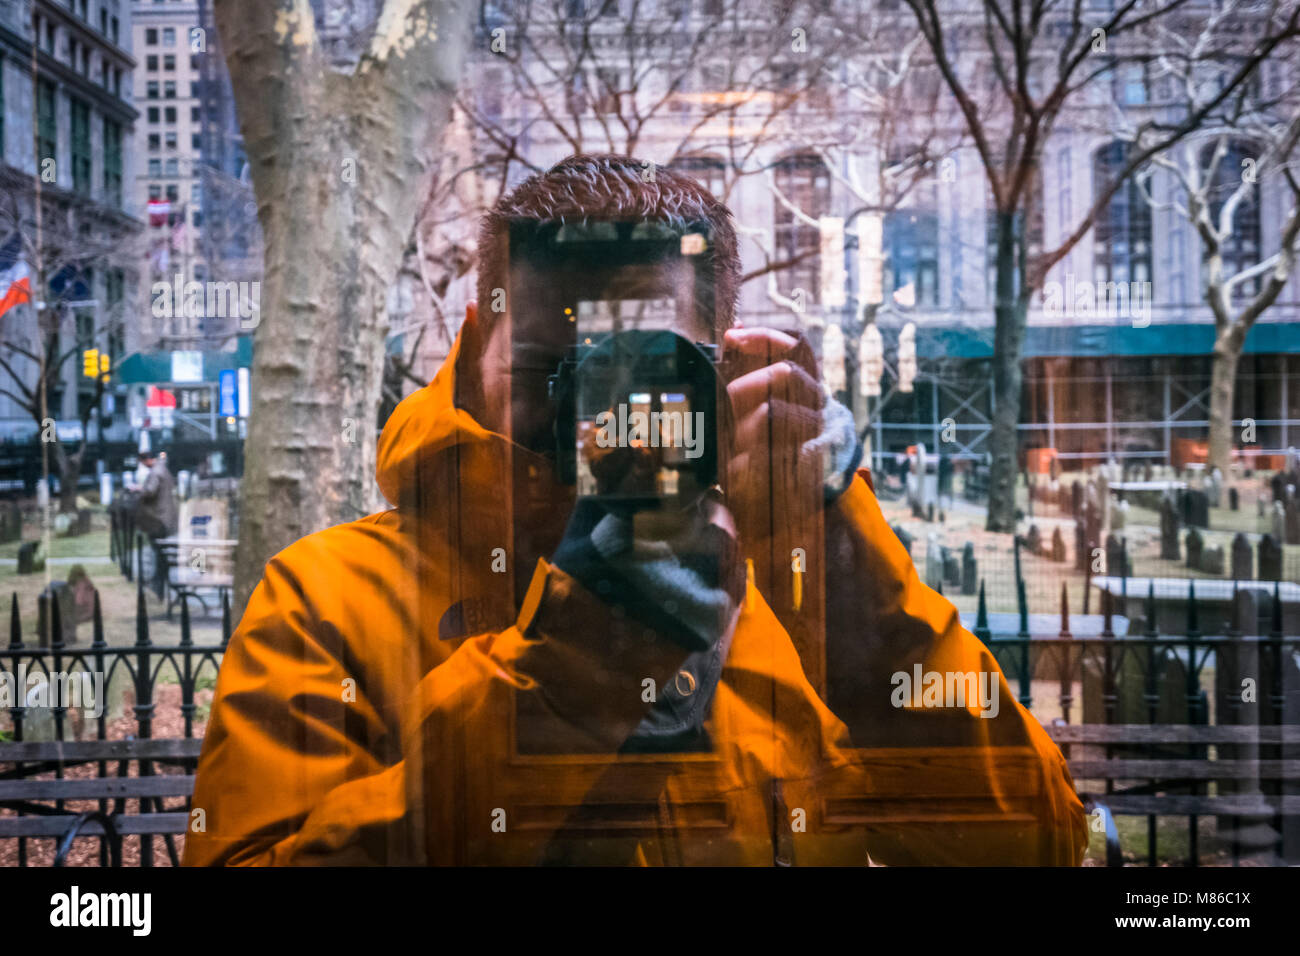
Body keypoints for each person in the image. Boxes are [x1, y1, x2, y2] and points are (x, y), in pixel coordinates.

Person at [186, 155, 1086, 866]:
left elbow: (1040, 846)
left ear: (719, 369)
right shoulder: (327, 599)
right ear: (471, 350)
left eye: (642, 368)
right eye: (551, 372)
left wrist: (838, 559)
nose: (594, 420)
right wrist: (574, 673)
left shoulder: (787, 582)